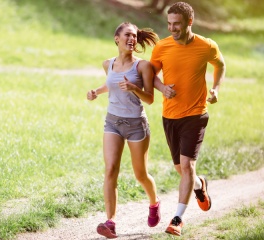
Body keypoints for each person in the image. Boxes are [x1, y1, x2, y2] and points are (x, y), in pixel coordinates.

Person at [150, 2, 226, 236]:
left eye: (177, 24)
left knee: (187, 165)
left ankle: (177, 219)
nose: (172, 28)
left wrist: (215, 89)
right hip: (170, 115)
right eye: (169, 24)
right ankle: (199, 185)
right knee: (180, 169)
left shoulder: (206, 45)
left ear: (189, 22)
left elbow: (220, 65)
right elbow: (151, 76)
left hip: (196, 114)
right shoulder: (162, 47)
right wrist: (162, 87)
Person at [87, 22, 161, 239]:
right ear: (116, 38)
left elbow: (150, 98)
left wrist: (134, 88)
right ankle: (110, 222)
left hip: (137, 125)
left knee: (141, 174)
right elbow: (111, 84)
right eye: (128, 35)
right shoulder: (107, 64)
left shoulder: (142, 66)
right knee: (110, 170)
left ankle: (154, 203)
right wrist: (96, 92)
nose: (132, 39)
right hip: (113, 122)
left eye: (135, 36)